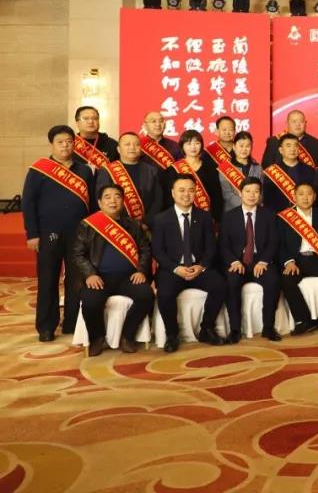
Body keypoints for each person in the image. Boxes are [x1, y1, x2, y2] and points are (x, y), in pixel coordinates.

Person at [22, 125, 96, 340]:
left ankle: (71, 323)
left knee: (76, 280)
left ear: (75, 143)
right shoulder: (39, 170)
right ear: (52, 144)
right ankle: (46, 327)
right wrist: (32, 234)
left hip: (79, 234)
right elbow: (28, 203)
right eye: (60, 142)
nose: (65, 146)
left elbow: (93, 203)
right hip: (48, 233)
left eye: (69, 142)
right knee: (48, 280)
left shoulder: (85, 171)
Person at [71, 184, 154, 356]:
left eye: (117, 196)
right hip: (99, 278)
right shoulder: (88, 225)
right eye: (107, 197)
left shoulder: (133, 225)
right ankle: (97, 338)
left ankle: (127, 336)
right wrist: (90, 274)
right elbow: (78, 254)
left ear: (123, 201)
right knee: (90, 301)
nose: (113, 200)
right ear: (99, 203)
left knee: (146, 295)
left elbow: (145, 249)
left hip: (128, 277)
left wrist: (141, 270)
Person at [152, 174, 228, 352]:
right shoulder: (161, 219)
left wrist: (201, 266)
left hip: (198, 267)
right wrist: (175, 268)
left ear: (195, 193)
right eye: (181, 190)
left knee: (220, 285)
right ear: (173, 193)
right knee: (165, 293)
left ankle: (206, 329)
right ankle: (172, 335)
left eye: (191, 190)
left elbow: (211, 247)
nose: (186, 194)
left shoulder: (204, 217)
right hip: (173, 269)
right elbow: (158, 251)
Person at [219, 178, 281, 343]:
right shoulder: (229, 216)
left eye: (256, 192)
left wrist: (264, 261)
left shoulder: (269, 215)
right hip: (238, 262)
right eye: (248, 191)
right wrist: (233, 261)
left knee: (273, 281)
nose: (252, 195)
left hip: (260, 261)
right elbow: (223, 244)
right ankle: (235, 330)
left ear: (260, 195)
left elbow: (273, 241)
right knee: (231, 282)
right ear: (240, 193)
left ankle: (268, 327)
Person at [278, 182, 318, 335]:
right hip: (296, 260)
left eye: (309, 194)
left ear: (314, 196)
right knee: (287, 279)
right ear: (294, 196)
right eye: (301, 194)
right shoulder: (284, 217)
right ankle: (303, 321)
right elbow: (280, 244)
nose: (305, 198)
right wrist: (289, 262)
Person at [95, 131, 163, 224]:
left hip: (146, 225)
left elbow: (158, 200)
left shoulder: (151, 170)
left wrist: (147, 223)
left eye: (136, 144)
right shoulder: (107, 170)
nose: (132, 147)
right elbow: (103, 199)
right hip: (117, 224)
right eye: (127, 144)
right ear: (118, 149)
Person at [163, 130, 224, 224]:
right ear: (182, 146)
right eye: (188, 144)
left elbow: (217, 196)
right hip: (180, 218)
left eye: (197, 143)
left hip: (206, 217)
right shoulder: (173, 170)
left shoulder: (211, 168)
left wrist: (215, 218)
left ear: (201, 145)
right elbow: (169, 198)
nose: (193, 147)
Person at [262, 133, 316, 213]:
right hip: (278, 215)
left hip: (303, 216)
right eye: (288, 146)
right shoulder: (272, 172)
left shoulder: (310, 171)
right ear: (281, 150)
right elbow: (267, 200)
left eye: (295, 146)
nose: (292, 149)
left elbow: (314, 196)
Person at [218, 131, 262, 213]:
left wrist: (252, 205)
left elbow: (261, 192)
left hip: (254, 211)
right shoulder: (225, 168)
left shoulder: (258, 168)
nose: (244, 149)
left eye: (247, 146)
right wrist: (246, 205)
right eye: (241, 146)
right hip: (233, 211)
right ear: (234, 147)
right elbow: (227, 194)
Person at [72, 105, 119, 170]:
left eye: (95, 118)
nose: (91, 121)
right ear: (77, 123)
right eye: (86, 118)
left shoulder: (112, 144)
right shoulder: (70, 144)